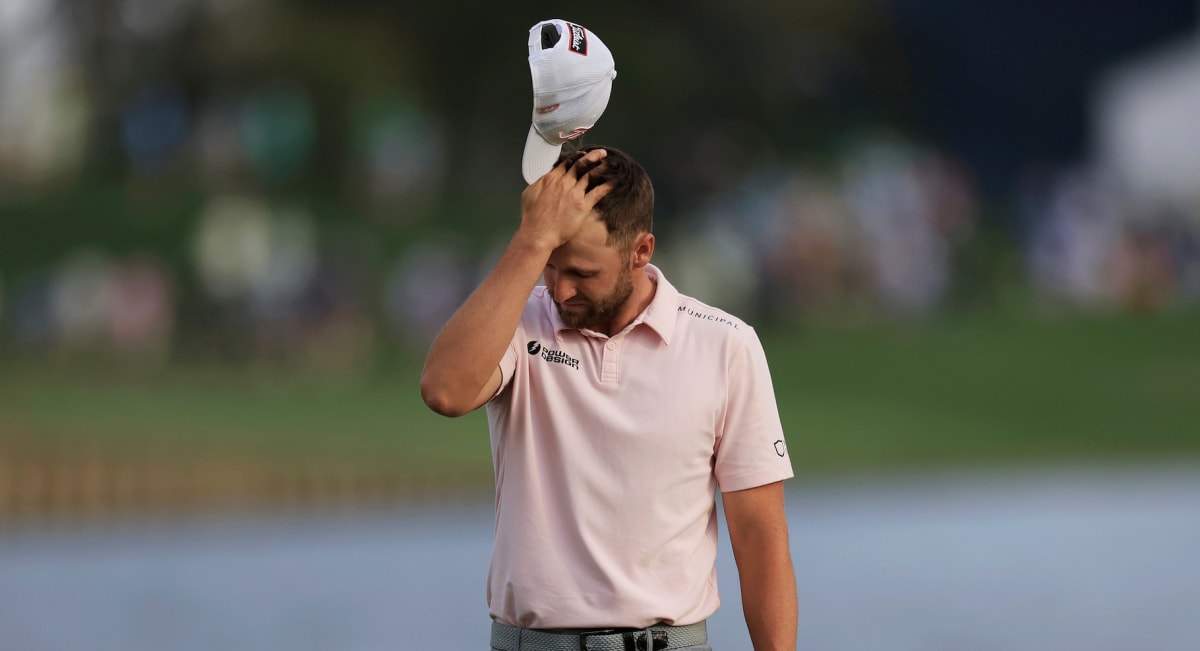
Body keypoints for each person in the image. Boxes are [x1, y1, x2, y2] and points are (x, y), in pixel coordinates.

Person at [420, 145, 797, 651]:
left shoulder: (725, 344)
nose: (561, 290)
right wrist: (532, 238)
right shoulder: (515, 322)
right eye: (551, 266)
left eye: (583, 272)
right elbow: (445, 391)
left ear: (641, 251)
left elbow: (758, 536)